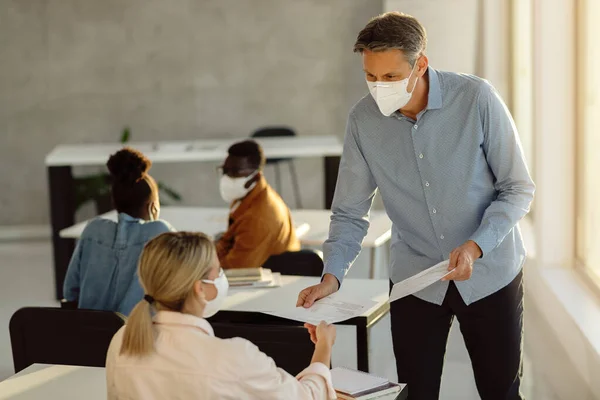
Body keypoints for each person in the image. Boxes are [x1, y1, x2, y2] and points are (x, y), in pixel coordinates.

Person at [296, 12, 535, 400]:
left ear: (420, 64)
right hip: (415, 280)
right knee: (414, 394)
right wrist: (332, 275)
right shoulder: (363, 120)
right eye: (370, 77)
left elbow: (517, 188)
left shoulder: (476, 99)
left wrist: (475, 246)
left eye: (390, 77)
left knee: (501, 393)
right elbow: (349, 212)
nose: (378, 88)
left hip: (491, 273)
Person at [106, 231, 337, 399]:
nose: (222, 277)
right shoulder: (234, 357)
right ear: (200, 288)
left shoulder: (123, 341)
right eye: (218, 271)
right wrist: (323, 347)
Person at [63, 147, 173, 316]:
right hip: (136, 337)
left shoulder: (93, 230)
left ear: (114, 202)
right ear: (153, 207)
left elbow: (70, 293)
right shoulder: (160, 233)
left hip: (88, 335)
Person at [215, 140, 300, 269]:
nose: (227, 177)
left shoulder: (257, 218)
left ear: (255, 176)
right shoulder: (251, 194)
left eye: (235, 172)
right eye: (225, 171)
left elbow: (233, 268)